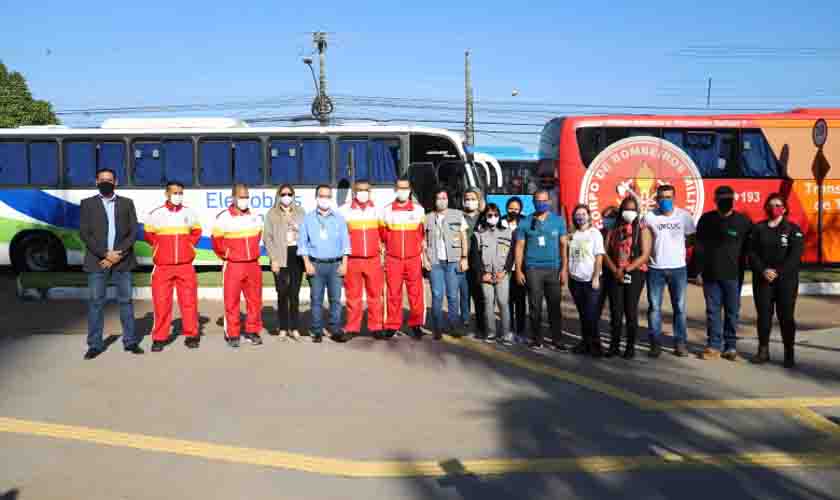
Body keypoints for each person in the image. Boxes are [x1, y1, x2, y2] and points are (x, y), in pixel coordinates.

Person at [79, 168, 141, 359]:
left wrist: (117, 255)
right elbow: (85, 233)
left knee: (126, 302)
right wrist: (105, 254)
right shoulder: (87, 204)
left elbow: (133, 232)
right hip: (98, 262)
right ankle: (95, 344)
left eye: (109, 180)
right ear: (96, 182)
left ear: (116, 182)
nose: (106, 182)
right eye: (102, 179)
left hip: (123, 261)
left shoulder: (126, 203)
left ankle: (130, 342)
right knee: (96, 303)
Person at [695, 185, 753, 361]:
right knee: (712, 311)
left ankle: (730, 347)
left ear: (733, 200)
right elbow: (699, 248)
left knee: (732, 312)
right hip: (710, 275)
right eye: (721, 199)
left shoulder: (743, 222)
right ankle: (713, 346)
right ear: (715, 200)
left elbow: (750, 248)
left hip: (734, 275)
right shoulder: (706, 220)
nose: (725, 202)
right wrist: (697, 271)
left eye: (728, 199)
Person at [144, 181, 203, 352]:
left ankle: (191, 335)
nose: (178, 196)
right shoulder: (156, 214)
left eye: (180, 193)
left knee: (189, 302)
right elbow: (148, 235)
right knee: (161, 303)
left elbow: (197, 232)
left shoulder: (189, 213)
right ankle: (159, 338)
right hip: (163, 267)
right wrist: (160, 249)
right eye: (175, 193)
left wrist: (189, 247)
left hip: (185, 265)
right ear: (167, 194)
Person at [748, 193, 803, 368]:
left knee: (786, 316)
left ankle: (789, 353)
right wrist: (764, 270)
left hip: (786, 281)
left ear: (785, 208)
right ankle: (763, 351)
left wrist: (777, 272)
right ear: (766, 208)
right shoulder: (758, 229)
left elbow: (795, 257)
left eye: (778, 205)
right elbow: (752, 253)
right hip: (763, 279)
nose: (774, 208)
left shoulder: (793, 229)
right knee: (764, 316)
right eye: (771, 205)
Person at [643, 184, 696, 358]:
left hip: (678, 269)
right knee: (654, 308)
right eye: (662, 197)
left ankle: (680, 343)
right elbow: (643, 240)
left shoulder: (684, 216)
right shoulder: (650, 216)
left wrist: (678, 253)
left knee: (679, 308)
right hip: (655, 269)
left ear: (674, 198)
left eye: (668, 197)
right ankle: (655, 344)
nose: (665, 200)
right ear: (657, 199)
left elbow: (690, 239)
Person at [513, 189, 568, 351]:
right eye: (538, 201)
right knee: (535, 306)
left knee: (554, 306)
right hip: (533, 269)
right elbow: (519, 247)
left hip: (553, 269)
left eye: (544, 201)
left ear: (549, 202)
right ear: (533, 202)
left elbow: (564, 245)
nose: (541, 203)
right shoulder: (525, 222)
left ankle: (557, 339)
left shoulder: (558, 221)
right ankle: (536, 339)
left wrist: (564, 269)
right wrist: (518, 270)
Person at [211, 184, 264, 348]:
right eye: (241, 197)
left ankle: (252, 331)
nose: (244, 200)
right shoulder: (223, 217)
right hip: (233, 265)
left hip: (253, 265)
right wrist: (228, 256)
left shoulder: (255, 217)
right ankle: (232, 334)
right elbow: (216, 242)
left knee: (254, 300)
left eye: (246, 196)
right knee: (231, 301)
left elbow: (258, 237)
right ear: (233, 198)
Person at [298, 185, 351, 343]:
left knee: (335, 299)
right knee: (316, 299)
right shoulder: (308, 218)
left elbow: (345, 243)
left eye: (328, 196)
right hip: (315, 264)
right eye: (322, 196)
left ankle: (335, 329)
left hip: (335, 265)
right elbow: (302, 243)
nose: (324, 199)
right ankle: (316, 330)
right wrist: (307, 263)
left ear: (331, 198)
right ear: (316, 197)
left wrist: (345, 263)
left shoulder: (339, 218)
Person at [602, 197, 651, 359]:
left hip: (635, 273)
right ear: (621, 210)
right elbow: (605, 252)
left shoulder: (642, 229)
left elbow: (644, 255)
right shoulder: (613, 229)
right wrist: (616, 270)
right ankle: (614, 346)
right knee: (616, 312)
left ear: (637, 211)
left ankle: (630, 347)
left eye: (632, 209)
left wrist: (626, 269)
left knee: (630, 310)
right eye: (626, 209)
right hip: (615, 272)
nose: (629, 212)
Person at [338, 179, 385, 340]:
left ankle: (376, 327)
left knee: (375, 295)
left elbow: (384, 233)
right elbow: (340, 236)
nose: (362, 193)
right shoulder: (344, 211)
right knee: (353, 297)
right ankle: (352, 328)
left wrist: (382, 247)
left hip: (373, 259)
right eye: (359, 190)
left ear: (370, 192)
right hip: (353, 260)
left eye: (366, 190)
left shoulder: (378, 210)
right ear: (354, 192)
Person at [381, 176, 427, 340]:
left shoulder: (418, 210)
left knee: (416, 294)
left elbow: (422, 234)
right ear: (395, 190)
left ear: (410, 190)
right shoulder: (386, 210)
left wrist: (421, 255)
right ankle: (392, 325)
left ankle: (416, 325)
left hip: (413, 258)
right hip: (393, 259)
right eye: (399, 188)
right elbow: (383, 234)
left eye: (405, 188)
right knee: (393, 293)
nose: (402, 191)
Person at [422, 187, 469, 340]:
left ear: (448, 199)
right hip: (435, 261)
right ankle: (437, 328)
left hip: (453, 261)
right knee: (436, 295)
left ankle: (454, 326)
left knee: (452, 295)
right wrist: (425, 259)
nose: (441, 201)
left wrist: (464, 257)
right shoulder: (427, 218)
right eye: (439, 198)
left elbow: (463, 237)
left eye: (444, 198)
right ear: (434, 201)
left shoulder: (457, 214)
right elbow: (422, 241)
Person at [263, 184, 306, 340]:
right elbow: (267, 238)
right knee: (282, 294)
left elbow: (307, 233)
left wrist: (298, 228)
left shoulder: (301, 212)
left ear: (293, 195)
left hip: (297, 255)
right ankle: (282, 328)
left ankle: (294, 328)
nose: (286, 196)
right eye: (283, 194)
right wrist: (273, 259)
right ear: (279, 195)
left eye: (289, 194)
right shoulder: (272, 214)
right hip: (280, 256)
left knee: (294, 294)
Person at [567, 204, 606, 357]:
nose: (580, 216)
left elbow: (599, 257)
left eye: (583, 213)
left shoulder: (595, 234)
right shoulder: (573, 234)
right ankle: (585, 343)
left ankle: (596, 345)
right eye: (578, 214)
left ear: (589, 216)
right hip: (575, 281)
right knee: (583, 314)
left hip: (591, 280)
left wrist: (596, 277)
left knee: (591, 314)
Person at [476, 203, 515, 344]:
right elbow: (476, 255)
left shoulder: (507, 232)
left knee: (503, 302)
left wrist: (505, 271)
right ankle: (491, 332)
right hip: (485, 274)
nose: (493, 218)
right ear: (485, 217)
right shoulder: (479, 234)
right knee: (488, 303)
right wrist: (482, 273)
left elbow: (511, 254)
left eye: (496, 215)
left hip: (502, 274)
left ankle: (506, 334)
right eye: (490, 215)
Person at [461, 187, 487, 338]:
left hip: (479, 260)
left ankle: (481, 325)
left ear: (479, 200)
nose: (470, 202)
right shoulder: (459, 216)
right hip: (463, 258)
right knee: (464, 293)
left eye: (473, 199)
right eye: (467, 199)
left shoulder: (483, 217)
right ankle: (465, 323)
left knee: (479, 295)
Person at [505, 197, 527, 343]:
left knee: (520, 301)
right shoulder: (500, 222)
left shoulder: (525, 222)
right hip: (505, 268)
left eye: (516, 209)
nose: (514, 211)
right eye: (511, 208)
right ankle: (509, 329)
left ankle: (520, 330)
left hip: (521, 268)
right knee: (506, 301)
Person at [597, 205, 619, 319]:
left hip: (616, 274)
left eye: (611, 217)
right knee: (597, 305)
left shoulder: (622, 233)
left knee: (616, 307)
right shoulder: (598, 233)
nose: (607, 219)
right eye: (605, 217)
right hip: (601, 274)